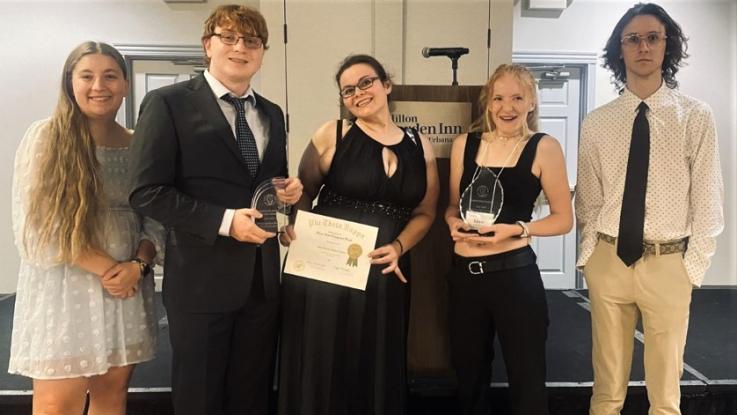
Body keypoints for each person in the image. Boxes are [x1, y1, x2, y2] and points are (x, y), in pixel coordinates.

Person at [128, 5, 302, 415]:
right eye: (229, 37)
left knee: (251, 394)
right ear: (208, 45)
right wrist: (225, 223)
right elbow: (147, 190)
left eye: (253, 41)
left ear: (262, 52)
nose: (241, 47)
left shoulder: (272, 113)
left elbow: (264, 184)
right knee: (199, 398)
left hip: (262, 283)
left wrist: (286, 202)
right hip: (200, 284)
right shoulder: (167, 103)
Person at [576, 3, 724, 415]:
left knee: (665, 397)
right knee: (606, 391)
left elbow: (708, 199)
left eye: (653, 37)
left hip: (669, 263)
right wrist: (590, 257)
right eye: (633, 39)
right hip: (609, 261)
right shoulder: (597, 121)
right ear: (619, 50)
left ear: (667, 46)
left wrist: (691, 267)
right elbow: (587, 198)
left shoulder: (695, 117)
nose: (643, 46)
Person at [277, 54, 439, 415]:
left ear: (386, 85)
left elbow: (426, 212)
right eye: (348, 89)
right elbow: (303, 190)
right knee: (323, 359)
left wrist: (398, 247)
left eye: (366, 82)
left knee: (376, 359)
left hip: (384, 271)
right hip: (325, 270)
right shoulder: (333, 134)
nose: (358, 93)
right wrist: (297, 228)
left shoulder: (419, 144)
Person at [9, 41, 164, 415]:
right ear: (69, 83)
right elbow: (40, 225)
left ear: (125, 85)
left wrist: (137, 268)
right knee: (56, 405)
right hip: (67, 289)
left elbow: (155, 218)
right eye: (87, 76)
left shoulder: (139, 144)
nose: (100, 85)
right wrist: (111, 271)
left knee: (111, 397)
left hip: (124, 289)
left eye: (110, 76)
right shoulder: (47, 138)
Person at [444, 63, 573, 415]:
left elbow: (564, 219)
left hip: (514, 276)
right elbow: (452, 207)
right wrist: (452, 223)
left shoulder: (544, 147)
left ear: (531, 102)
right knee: (469, 377)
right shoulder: (464, 144)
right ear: (488, 103)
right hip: (465, 278)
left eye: (517, 98)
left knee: (527, 377)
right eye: (499, 98)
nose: (507, 107)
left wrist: (519, 228)